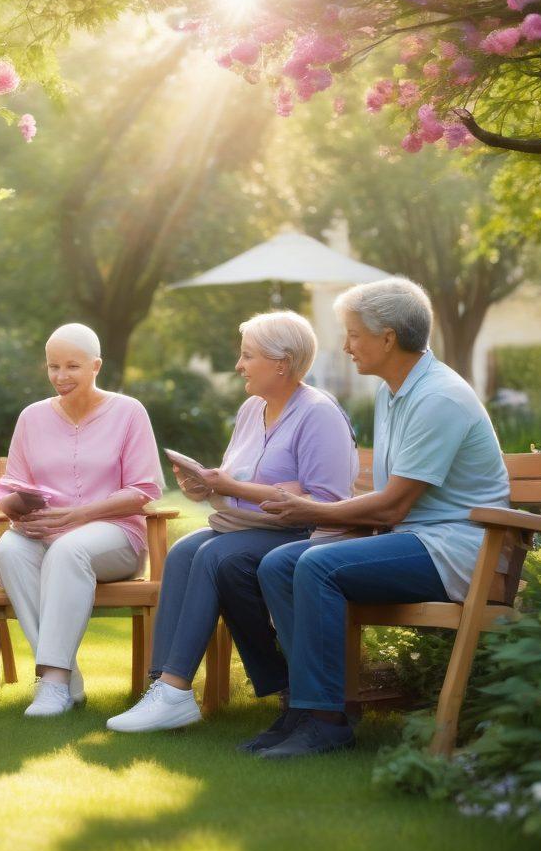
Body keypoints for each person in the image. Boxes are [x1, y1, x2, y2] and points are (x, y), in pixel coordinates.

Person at [250, 278, 509, 758]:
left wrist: (315, 509)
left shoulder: (439, 398)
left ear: (387, 337)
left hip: (459, 550)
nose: (345, 346)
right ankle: (307, 707)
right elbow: (392, 499)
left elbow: (393, 505)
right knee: (279, 564)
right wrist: (325, 509)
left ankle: (327, 720)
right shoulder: (396, 392)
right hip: (414, 540)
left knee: (317, 565)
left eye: (352, 334)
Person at [107, 311, 357, 734]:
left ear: (282, 362)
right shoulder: (250, 408)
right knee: (186, 550)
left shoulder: (318, 414)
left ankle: (175, 690)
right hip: (249, 527)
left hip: (305, 534)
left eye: (247, 356)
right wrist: (206, 486)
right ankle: (162, 687)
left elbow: (327, 502)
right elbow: (237, 478)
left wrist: (241, 487)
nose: (239, 365)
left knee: (215, 555)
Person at [0, 323, 164, 717]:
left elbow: (144, 490)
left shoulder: (128, 412)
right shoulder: (32, 417)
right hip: (46, 532)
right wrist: (16, 509)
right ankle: (65, 676)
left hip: (116, 537)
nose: (61, 377)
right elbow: (8, 486)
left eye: (72, 366)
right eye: (53, 367)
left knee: (69, 550)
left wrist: (80, 513)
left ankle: (50, 681)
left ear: (96, 365)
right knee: (9, 552)